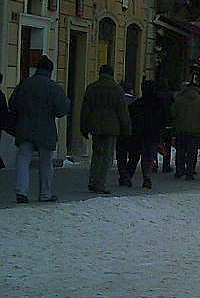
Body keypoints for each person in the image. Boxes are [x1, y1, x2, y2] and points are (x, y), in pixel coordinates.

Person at [9, 56, 70, 203]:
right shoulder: (54, 87)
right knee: (46, 162)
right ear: (50, 70)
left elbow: (12, 104)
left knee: (23, 158)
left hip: (25, 127)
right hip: (46, 130)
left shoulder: (24, 84)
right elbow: (62, 110)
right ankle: (45, 193)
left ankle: (21, 191)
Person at [81, 64, 132, 194]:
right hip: (111, 127)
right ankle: (100, 183)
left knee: (97, 154)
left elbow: (85, 110)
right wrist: (126, 129)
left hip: (95, 126)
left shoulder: (91, 88)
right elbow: (123, 112)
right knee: (107, 156)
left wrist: (84, 127)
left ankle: (93, 180)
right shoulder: (117, 90)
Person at [121, 81, 168, 189]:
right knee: (149, 157)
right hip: (153, 134)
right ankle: (147, 176)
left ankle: (128, 175)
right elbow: (164, 119)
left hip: (138, 134)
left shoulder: (137, 104)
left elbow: (131, 119)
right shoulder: (159, 105)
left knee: (134, 155)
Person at [170, 81, 200, 180]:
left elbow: (172, 113)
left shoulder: (179, 101)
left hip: (181, 130)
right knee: (192, 153)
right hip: (196, 132)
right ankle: (190, 172)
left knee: (180, 151)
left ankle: (179, 171)